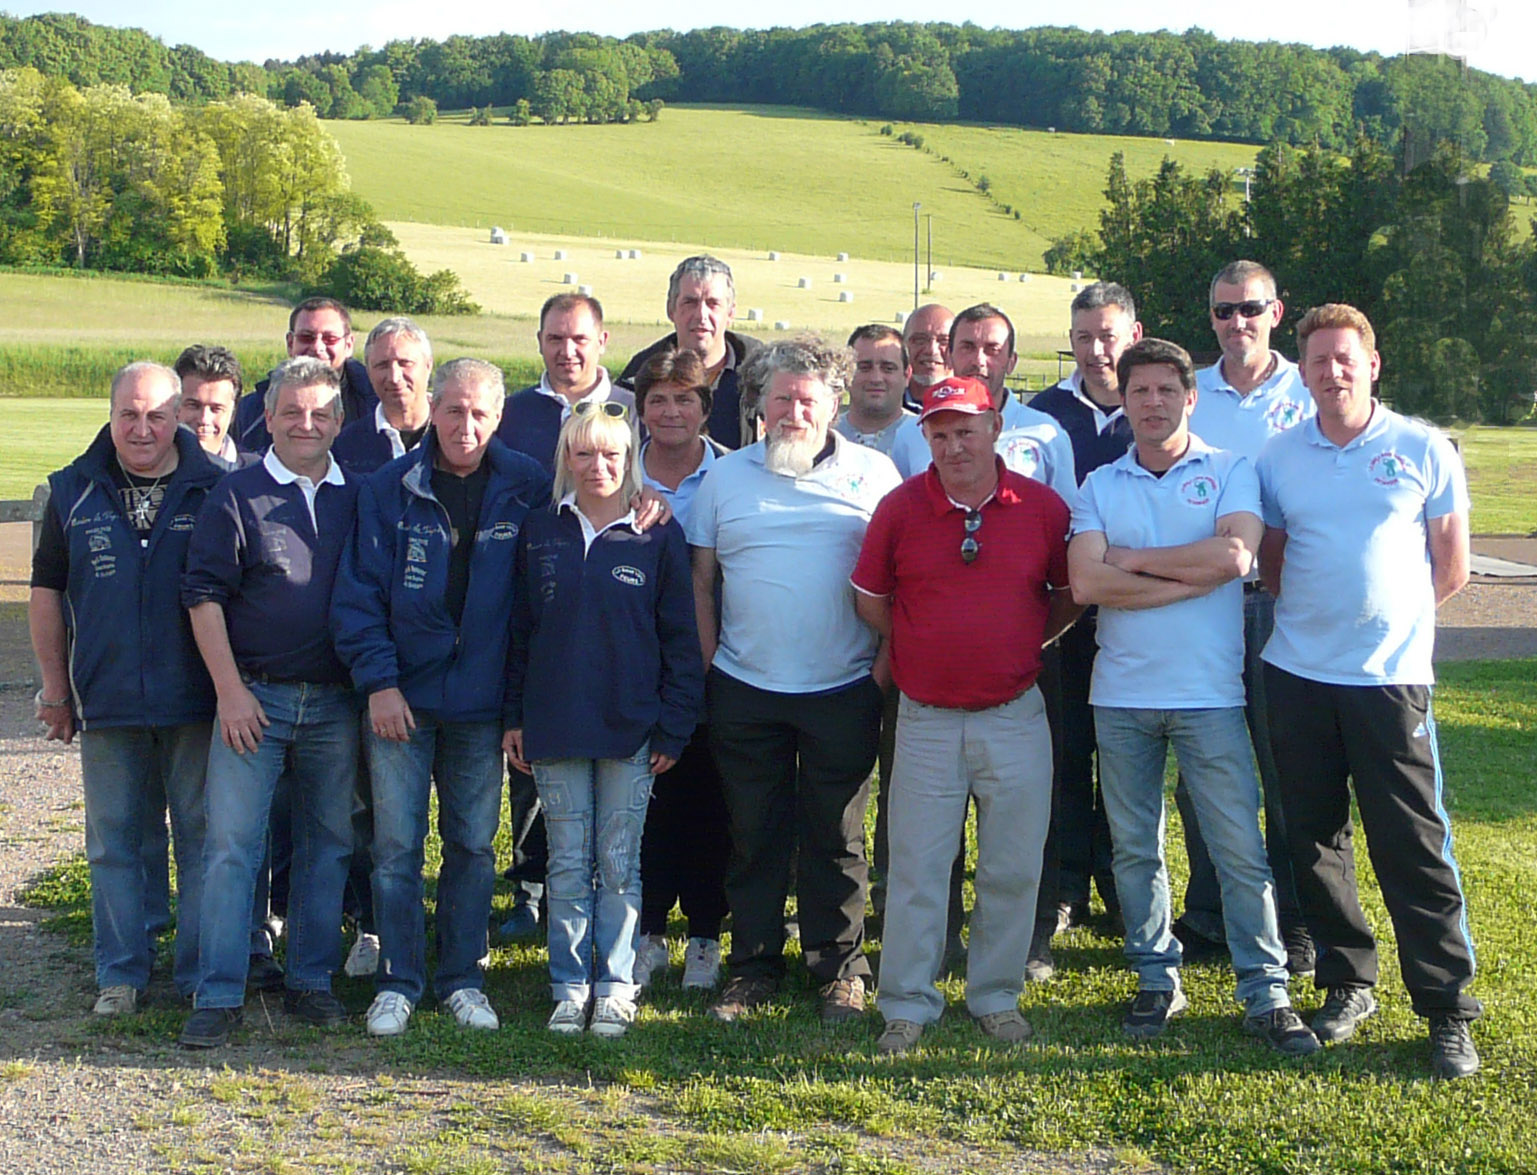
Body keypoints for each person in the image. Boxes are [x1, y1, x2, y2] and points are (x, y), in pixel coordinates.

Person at [1067, 338, 1319, 1056]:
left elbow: (1234, 557)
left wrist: (1133, 560)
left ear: (1189, 397)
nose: (1151, 403)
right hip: (1119, 696)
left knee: (1238, 847)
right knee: (1134, 849)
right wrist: (1187, 571)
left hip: (1210, 695)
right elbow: (1086, 585)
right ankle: (1155, 976)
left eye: (1164, 391)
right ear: (1124, 400)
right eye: (1137, 391)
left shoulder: (1228, 469)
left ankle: (1264, 989)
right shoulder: (1098, 485)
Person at [1256, 303, 1480, 1079]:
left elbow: (1449, 565)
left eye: (1345, 358)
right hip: (1297, 677)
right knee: (1313, 840)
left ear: (1371, 363)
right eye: (1317, 360)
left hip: (1389, 683)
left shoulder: (1421, 447)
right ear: (1304, 368)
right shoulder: (1279, 457)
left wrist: (1390, 628)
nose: (1331, 371)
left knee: (1410, 843)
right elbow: (1274, 562)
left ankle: (1446, 1006)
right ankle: (1347, 982)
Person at [852, 376, 1077, 1054]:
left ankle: (995, 994)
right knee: (919, 867)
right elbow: (870, 599)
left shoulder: (1040, 508)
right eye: (940, 433)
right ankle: (907, 1003)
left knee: (1011, 865)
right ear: (926, 437)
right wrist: (923, 644)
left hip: (1013, 714)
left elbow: (1066, 597)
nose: (953, 445)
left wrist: (1012, 643)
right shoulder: (899, 507)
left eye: (965, 430)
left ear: (995, 428)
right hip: (923, 718)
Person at [686, 336, 902, 1025]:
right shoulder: (724, 478)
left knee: (836, 835)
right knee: (752, 832)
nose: (792, 410)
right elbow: (700, 579)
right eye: (779, 397)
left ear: (834, 403)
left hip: (843, 686)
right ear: (758, 402)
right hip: (744, 686)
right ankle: (751, 967)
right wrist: (711, 664)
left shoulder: (875, 474)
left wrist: (877, 673)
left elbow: (899, 583)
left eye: (807, 398)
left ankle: (839, 967)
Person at [332, 358, 549, 1036]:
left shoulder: (527, 485)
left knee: (471, 846)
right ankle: (399, 978)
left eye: (480, 412)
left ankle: (461, 977)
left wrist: (516, 710)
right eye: (453, 410)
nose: (466, 425)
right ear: (433, 406)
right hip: (403, 701)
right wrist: (381, 683)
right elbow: (358, 596)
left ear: (499, 415)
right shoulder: (390, 486)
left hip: (482, 708)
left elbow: (532, 610)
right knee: (395, 847)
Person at [29, 362, 223, 1015]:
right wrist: (57, 688)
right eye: (128, 414)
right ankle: (121, 971)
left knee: (201, 836)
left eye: (156, 415)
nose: (142, 429)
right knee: (115, 838)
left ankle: (198, 971)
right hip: (107, 698)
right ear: (109, 414)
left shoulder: (218, 488)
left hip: (197, 700)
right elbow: (46, 593)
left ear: (179, 417)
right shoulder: (71, 491)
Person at [505, 401, 704, 1037]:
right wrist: (515, 718)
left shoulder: (656, 535)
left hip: (632, 730)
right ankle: (568, 985)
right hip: (556, 726)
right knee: (566, 861)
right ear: (566, 457)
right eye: (584, 452)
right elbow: (520, 633)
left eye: (612, 454)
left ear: (630, 459)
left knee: (619, 861)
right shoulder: (540, 530)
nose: (598, 465)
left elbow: (680, 640)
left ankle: (615, 985)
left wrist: (673, 725)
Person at [179, 357, 361, 1048]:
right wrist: (228, 691)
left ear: (339, 421)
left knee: (326, 845)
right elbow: (203, 596)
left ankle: (310, 981)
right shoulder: (236, 493)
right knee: (232, 845)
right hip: (253, 697)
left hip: (338, 704)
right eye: (292, 412)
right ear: (269, 417)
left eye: (320, 413)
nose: (306, 424)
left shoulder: (361, 495)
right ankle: (219, 991)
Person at [1176, 261, 1317, 973]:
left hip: (1276, 601)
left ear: (1275, 311)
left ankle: (1293, 919)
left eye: (1250, 309)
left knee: (1280, 762)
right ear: (1210, 318)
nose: (1237, 323)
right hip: (1203, 602)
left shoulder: (1307, 390)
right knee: (1201, 761)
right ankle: (1210, 910)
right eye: (1223, 311)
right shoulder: (1193, 396)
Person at [494, 293, 637, 940]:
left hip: (614, 609)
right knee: (536, 773)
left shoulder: (630, 408)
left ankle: (614, 910)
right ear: (539, 340)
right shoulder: (514, 414)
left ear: (602, 340)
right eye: (555, 338)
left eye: (579, 338)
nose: (567, 350)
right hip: (539, 598)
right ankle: (531, 889)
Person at [1029, 282, 1141, 957]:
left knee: (1129, 755)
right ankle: (1067, 882)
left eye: (1107, 335)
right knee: (1066, 751)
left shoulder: (1156, 405)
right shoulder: (1043, 414)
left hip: (1139, 611)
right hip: (1064, 611)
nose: (1096, 350)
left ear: (1132, 333)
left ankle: (1122, 883)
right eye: (1082, 337)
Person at [630, 348, 732, 991]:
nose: (671, 411)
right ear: (639, 409)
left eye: (685, 398)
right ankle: (648, 932)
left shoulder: (733, 475)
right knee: (644, 803)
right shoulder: (610, 466)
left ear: (705, 408)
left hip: (716, 662)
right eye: (659, 399)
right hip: (630, 667)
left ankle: (705, 933)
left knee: (709, 800)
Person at [888, 304, 1076, 502]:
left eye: (992, 349)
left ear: (1011, 362)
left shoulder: (1046, 433)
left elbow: (1066, 518)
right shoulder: (911, 433)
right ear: (949, 357)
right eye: (967, 347)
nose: (979, 360)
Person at [618, 255, 759, 449]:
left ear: (731, 312)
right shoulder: (640, 372)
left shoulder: (762, 369)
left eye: (713, 303)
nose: (701, 315)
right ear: (670, 309)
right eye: (690, 302)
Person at [232, 297, 377, 454]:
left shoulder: (376, 405)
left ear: (348, 345)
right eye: (306, 338)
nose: (317, 347)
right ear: (290, 343)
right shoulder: (251, 410)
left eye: (330, 339)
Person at [332, 317, 434, 475]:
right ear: (368, 372)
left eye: (405, 363)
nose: (394, 377)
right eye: (382, 365)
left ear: (428, 365)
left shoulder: (456, 434)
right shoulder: (346, 446)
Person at [834, 324, 913, 455]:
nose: (876, 378)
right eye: (864, 367)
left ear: (907, 375)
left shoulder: (926, 436)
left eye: (888, 368)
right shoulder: (822, 435)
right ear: (845, 374)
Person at [174, 345, 251, 467]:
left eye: (216, 409)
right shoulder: (149, 471)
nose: (204, 419)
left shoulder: (255, 474)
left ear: (233, 412)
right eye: (193, 406)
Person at [900, 303, 955, 412]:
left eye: (944, 341)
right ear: (903, 345)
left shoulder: (973, 405)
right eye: (920, 340)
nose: (931, 350)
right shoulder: (885, 403)